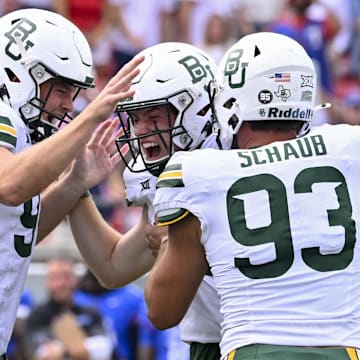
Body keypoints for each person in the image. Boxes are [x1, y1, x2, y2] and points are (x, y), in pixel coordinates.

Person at [145, 32, 360, 360]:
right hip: (343, 350)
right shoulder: (348, 149)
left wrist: (168, 242)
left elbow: (162, 311)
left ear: (231, 103)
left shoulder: (200, 172)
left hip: (253, 349)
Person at [0, 7, 143, 359]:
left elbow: (20, 230)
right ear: (20, 74)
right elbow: (10, 185)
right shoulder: (6, 116)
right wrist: (92, 115)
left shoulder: (24, 135)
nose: (68, 105)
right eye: (61, 89)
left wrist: (74, 184)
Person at [67, 42, 224, 359]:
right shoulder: (166, 177)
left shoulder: (229, 169)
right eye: (135, 117)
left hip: (259, 338)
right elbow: (113, 266)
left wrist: (176, 242)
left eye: (153, 116)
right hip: (206, 341)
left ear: (196, 110)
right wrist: (75, 187)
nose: (140, 130)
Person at [22, 258, 115, 360]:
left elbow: (105, 348)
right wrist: (84, 348)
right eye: (56, 278)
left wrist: (63, 350)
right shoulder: (37, 316)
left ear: (75, 280)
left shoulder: (90, 313)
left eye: (66, 277)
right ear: (47, 282)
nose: (62, 284)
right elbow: (42, 354)